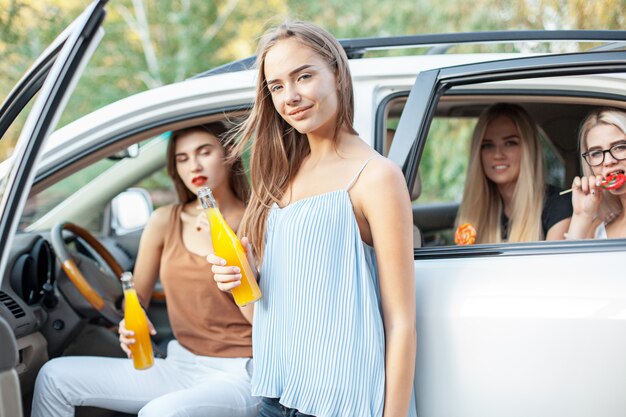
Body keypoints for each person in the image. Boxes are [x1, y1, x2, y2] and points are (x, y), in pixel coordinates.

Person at [208, 21, 416, 417]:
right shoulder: (278, 179)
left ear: (336, 74)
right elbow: (264, 318)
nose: (291, 97)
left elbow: (401, 322)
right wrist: (241, 281)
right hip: (276, 396)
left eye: (303, 76)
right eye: (277, 86)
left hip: (343, 403)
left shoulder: (376, 177)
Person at [32, 123, 260, 417]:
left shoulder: (257, 220)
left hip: (240, 371)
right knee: (54, 377)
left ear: (229, 152)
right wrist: (129, 324)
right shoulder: (165, 220)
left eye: (205, 152)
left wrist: (243, 282)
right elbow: (136, 296)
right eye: (182, 158)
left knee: (159, 413)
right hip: (181, 362)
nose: (194, 165)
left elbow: (266, 322)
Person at [455, 103, 572, 244]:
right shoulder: (478, 211)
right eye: (488, 145)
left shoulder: (559, 206)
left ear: (529, 150)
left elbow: (554, 265)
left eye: (510, 143)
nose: (498, 155)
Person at [566, 108, 626, 239]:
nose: (609, 161)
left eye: (620, 147)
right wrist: (581, 215)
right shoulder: (596, 230)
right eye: (596, 153)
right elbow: (570, 260)